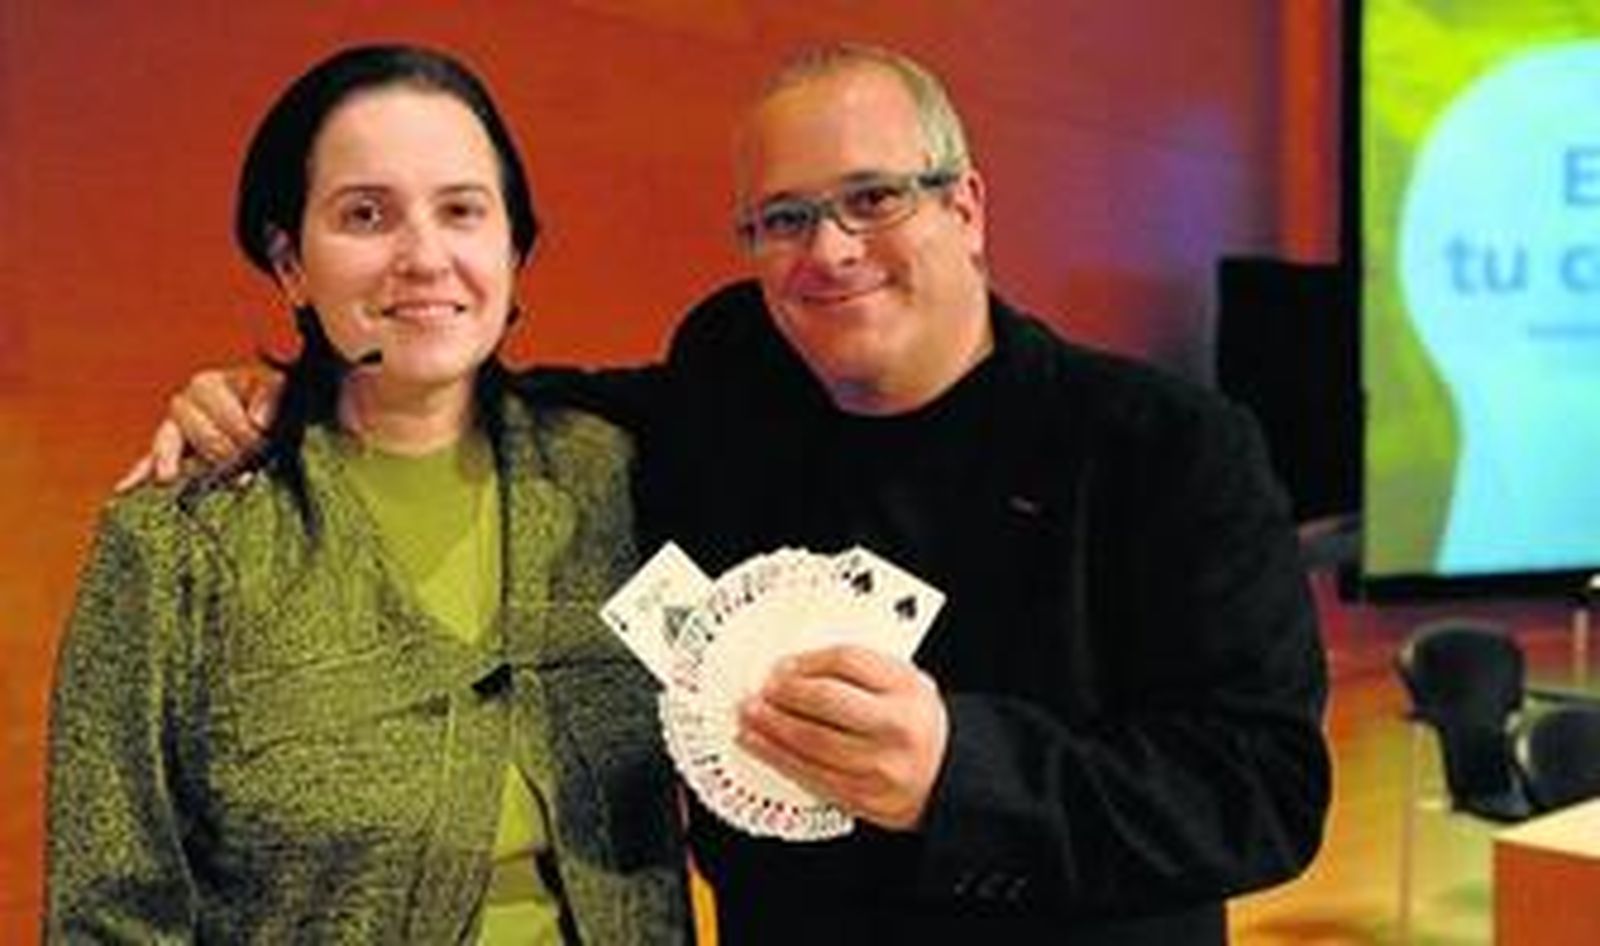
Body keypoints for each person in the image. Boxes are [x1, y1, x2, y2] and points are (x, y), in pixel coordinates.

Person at [132, 42, 1330, 945]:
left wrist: (955, 770)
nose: (831, 250)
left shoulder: (1168, 447)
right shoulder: (733, 378)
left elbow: (1264, 795)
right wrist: (288, 393)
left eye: (875, 197)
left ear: (965, 206)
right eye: (784, 218)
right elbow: (533, 406)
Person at [46, 44, 687, 944]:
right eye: (365, 215)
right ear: (290, 263)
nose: (424, 256)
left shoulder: (621, 478)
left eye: (462, 210)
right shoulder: (179, 540)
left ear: (513, 249)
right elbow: (108, 915)